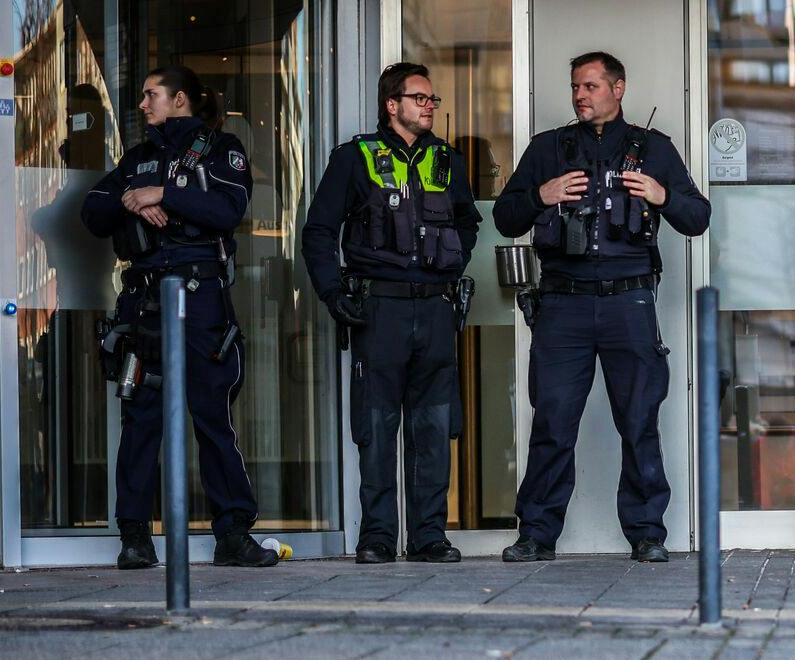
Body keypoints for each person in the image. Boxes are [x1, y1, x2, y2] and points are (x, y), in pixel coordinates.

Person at [493, 51, 710, 562]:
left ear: (619, 88)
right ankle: (537, 534)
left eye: (590, 86)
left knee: (639, 421)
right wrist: (540, 195)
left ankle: (647, 533)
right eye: (575, 87)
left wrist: (661, 194)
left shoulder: (653, 149)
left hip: (629, 302)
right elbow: (505, 217)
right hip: (562, 305)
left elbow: (698, 217)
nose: (579, 96)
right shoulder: (549, 149)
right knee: (552, 421)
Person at [81, 64, 279, 569]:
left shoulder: (220, 148)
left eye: (152, 96)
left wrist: (164, 195)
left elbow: (229, 209)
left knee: (211, 416)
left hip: (200, 298)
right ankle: (134, 537)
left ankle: (233, 535)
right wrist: (134, 199)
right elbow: (93, 212)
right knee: (141, 419)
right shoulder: (139, 158)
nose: (144, 105)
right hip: (146, 303)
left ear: (181, 100)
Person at [303, 61, 481, 564]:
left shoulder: (448, 159)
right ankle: (378, 536)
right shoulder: (355, 157)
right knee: (376, 427)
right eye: (420, 98)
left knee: (433, 425)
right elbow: (318, 232)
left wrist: (451, 261)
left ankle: (429, 536)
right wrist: (334, 293)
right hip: (378, 308)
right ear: (392, 105)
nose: (429, 106)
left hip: (436, 310)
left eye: (431, 100)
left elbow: (468, 221)